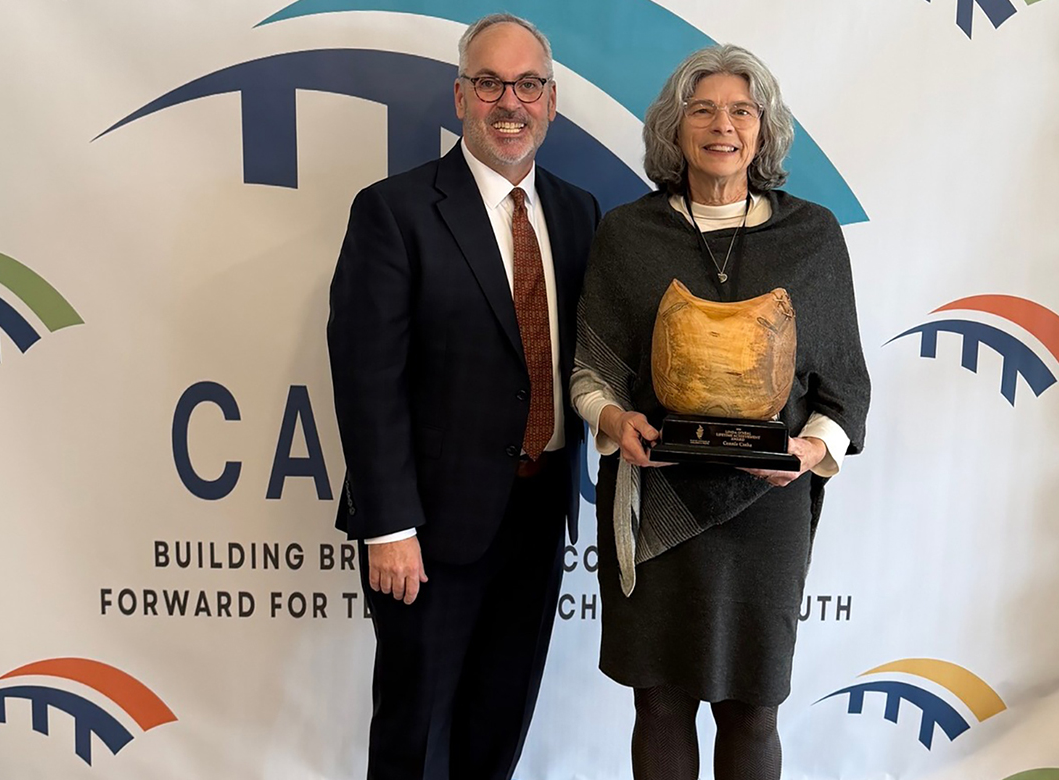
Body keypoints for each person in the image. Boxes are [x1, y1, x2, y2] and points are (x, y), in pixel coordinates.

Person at [572, 44, 870, 780]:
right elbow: (589, 373)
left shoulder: (812, 236)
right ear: (674, 129)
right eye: (702, 110)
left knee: (753, 709)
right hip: (655, 501)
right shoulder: (628, 234)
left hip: (766, 512)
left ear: (764, 130)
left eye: (742, 110)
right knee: (660, 704)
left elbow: (845, 387)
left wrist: (806, 452)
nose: (722, 126)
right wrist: (614, 422)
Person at [327, 13, 600, 780]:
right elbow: (366, 378)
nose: (509, 102)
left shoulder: (578, 213)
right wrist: (388, 526)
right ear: (459, 97)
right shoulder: (395, 211)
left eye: (528, 85)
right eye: (489, 83)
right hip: (428, 529)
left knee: (497, 727)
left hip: (538, 515)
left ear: (551, 101)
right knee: (416, 735)